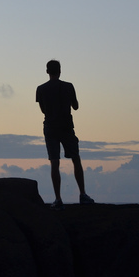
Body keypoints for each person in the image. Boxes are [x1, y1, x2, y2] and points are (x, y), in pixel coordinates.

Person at [36, 60, 95, 209]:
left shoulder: (41, 89)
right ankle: (82, 194)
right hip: (66, 127)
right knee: (76, 159)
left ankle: (58, 199)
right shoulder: (68, 86)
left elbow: (43, 110)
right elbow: (75, 106)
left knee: (54, 162)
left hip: (50, 128)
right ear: (60, 70)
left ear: (47, 71)